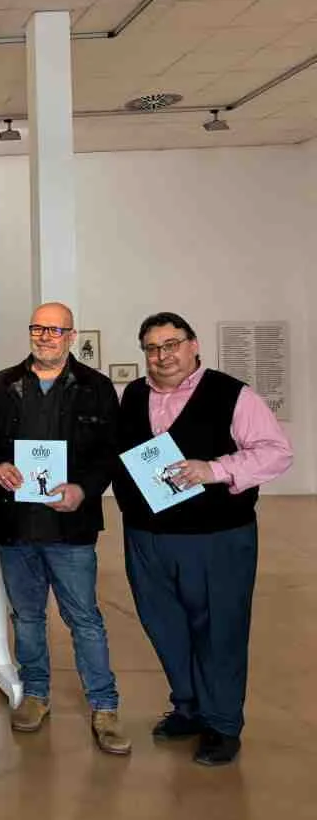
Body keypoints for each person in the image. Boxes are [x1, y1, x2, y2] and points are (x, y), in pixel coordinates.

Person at [113, 312, 292, 766]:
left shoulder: (234, 394)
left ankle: (222, 724)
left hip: (216, 538)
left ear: (193, 345)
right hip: (147, 537)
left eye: (172, 344)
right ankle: (189, 708)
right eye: (152, 348)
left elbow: (276, 452)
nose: (162, 356)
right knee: (165, 626)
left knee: (220, 631)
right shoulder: (134, 394)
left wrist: (214, 470)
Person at [0, 302, 129, 755]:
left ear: (70, 335)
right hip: (14, 525)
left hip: (70, 528)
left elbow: (109, 451)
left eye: (55, 330)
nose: (46, 337)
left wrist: (84, 488)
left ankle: (104, 706)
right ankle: (37, 694)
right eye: (38, 329)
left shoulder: (96, 388)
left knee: (84, 619)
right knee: (26, 618)